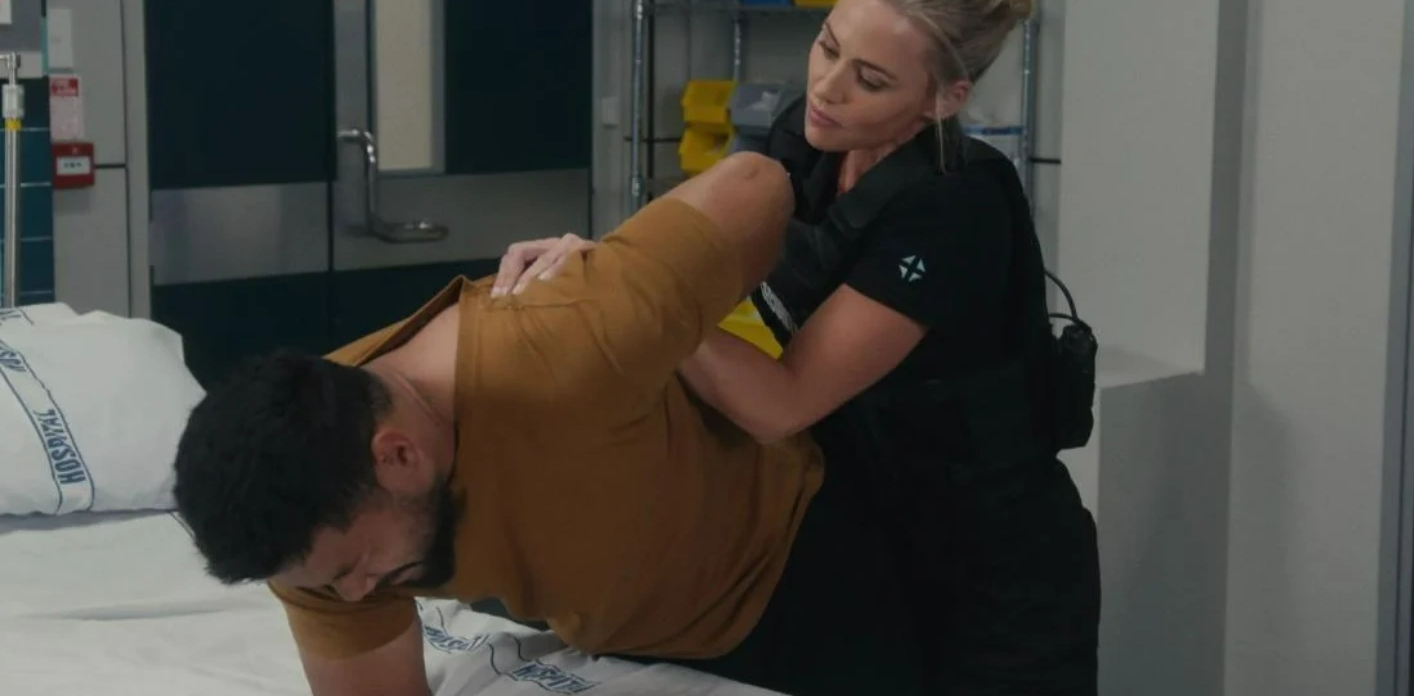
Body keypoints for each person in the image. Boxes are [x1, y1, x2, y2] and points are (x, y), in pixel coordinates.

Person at [496, 0, 1101, 695]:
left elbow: (778, 404)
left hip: (994, 573)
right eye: (827, 46)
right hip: (861, 537)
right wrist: (604, 260)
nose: (827, 88)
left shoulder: (953, 207)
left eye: (870, 79)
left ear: (944, 98)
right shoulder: (807, 140)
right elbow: (675, 256)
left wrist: (636, 293)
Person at [171, 151, 933, 696]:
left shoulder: (571, 340)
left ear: (398, 455)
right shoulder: (308, 534)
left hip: (790, 566)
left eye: (357, 567)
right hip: (622, 631)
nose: (357, 593)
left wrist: (645, 284)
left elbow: (760, 184)